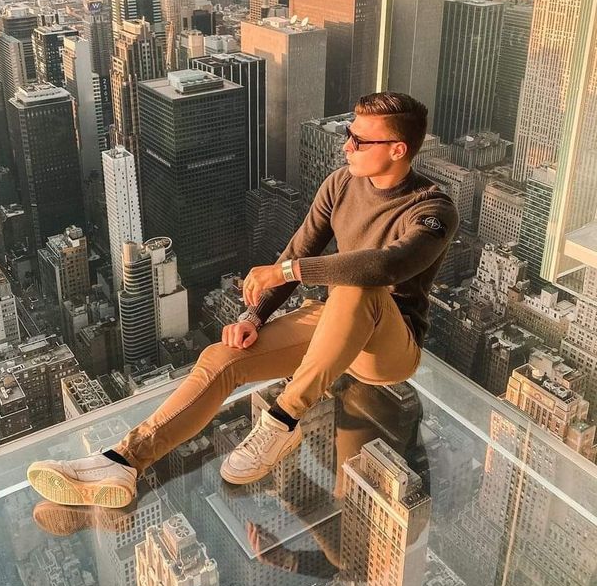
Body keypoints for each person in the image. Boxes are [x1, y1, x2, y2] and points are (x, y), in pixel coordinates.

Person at [27, 91, 459, 510]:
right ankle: (123, 460)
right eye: (349, 132)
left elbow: (386, 268)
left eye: (360, 140)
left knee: (359, 285)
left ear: (398, 149)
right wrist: (255, 314)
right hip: (335, 322)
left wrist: (287, 272)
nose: (347, 145)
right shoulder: (341, 183)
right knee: (224, 356)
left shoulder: (433, 209)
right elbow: (299, 250)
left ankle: (284, 418)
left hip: (390, 349)